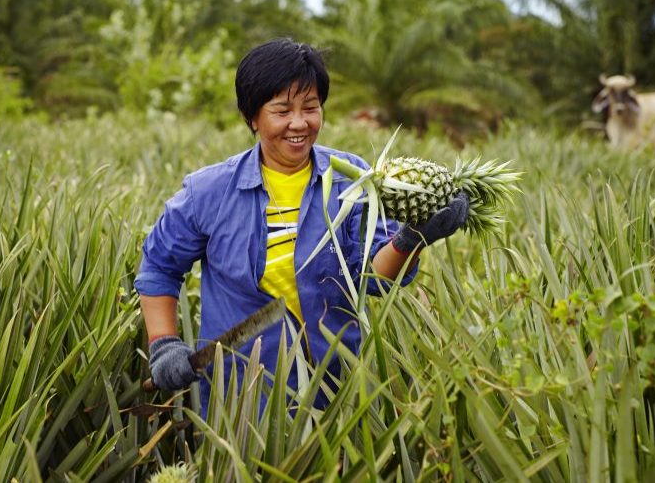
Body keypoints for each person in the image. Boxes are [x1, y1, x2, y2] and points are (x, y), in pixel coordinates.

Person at [133, 38, 468, 418]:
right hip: (242, 397)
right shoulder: (208, 191)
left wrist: (412, 239)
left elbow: (377, 278)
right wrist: (163, 344)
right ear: (252, 117)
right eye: (282, 110)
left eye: (311, 108)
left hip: (336, 389)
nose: (299, 123)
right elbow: (160, 266)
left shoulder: (352, 180)